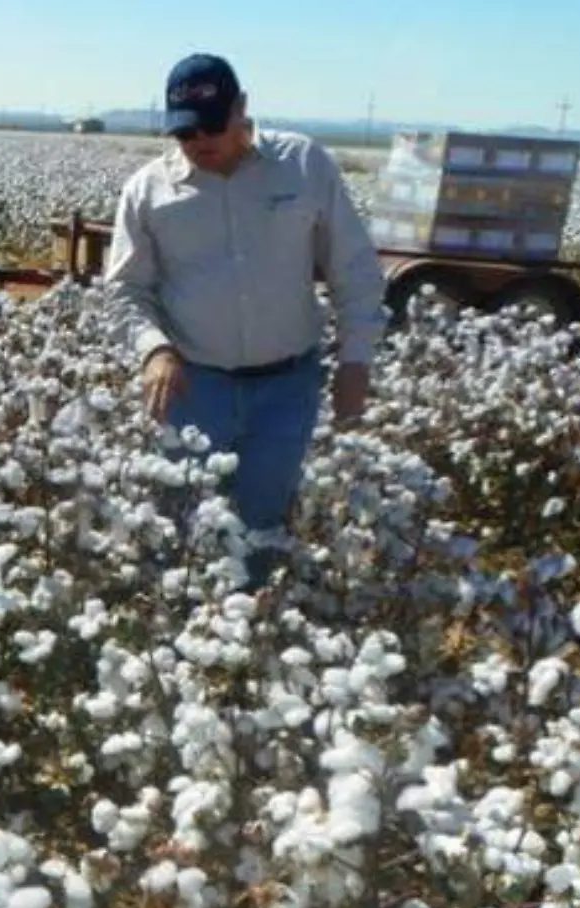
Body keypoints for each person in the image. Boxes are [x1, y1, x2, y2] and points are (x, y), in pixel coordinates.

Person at [103, 53, 386, 587]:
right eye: (186, 133)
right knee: (182, 520)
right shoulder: (149, 191)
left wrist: (356, 361)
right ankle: (184, 631)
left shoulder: (304, 166)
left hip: (287, 387)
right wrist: (154, 348)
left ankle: (250, 633)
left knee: (261, 525)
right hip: (194, 385)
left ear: (242, 109)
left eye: (213, 126)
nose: (200, 142)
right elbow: (124, 288)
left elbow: (353, 267)